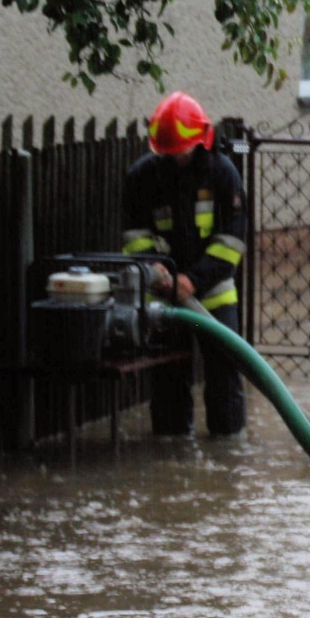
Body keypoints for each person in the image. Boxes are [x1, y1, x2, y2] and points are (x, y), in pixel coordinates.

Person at [122, 91, 249, 436]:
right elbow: (135, 237)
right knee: (168, 377)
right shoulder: (142, 177)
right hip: (164, 295)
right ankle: (171, 444)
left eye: (180, 149)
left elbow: (232, 241)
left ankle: (227, 445)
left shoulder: (222, 174)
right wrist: (157, 272)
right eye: (168, 151)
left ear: (200, 139)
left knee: (224, 375)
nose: (175, 156)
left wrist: (192, 280)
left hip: (213, 294)